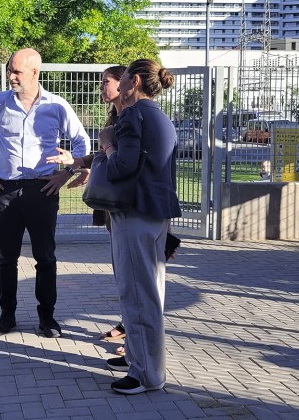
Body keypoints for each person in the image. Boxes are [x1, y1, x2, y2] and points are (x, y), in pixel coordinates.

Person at [0, 48, 89, 338]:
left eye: (16, 72)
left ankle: (47, 319)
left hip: (42, 190)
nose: (10, 76)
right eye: (10, 70)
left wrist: (67, 173)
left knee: (45, 257)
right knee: (6, 258)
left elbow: (82, 144)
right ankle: (6, 316)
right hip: (6, 189)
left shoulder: (57, 106)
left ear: (34, 73)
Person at [98, 59, 181, 395]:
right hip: (154, 213)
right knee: (147, 291)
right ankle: (138, 358)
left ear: (132, 82)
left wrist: (106, 144)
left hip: (135, 213)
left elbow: (121, 166)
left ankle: (146, 374)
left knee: (137, 294)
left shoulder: (133, 115)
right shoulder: (160, 117)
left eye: (123, 79)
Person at [46, 65, 128, 348]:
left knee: (134, 276)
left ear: (126, 83)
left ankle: (136, 340)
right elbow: (106, 155)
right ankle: (128, 324)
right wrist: (77, 162)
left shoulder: (133, 116)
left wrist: (103, 149)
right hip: (114, 210)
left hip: (130, 210)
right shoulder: (116, 115)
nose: (101, 87)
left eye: (106, 82)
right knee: (123, 273)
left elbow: (122, 161)